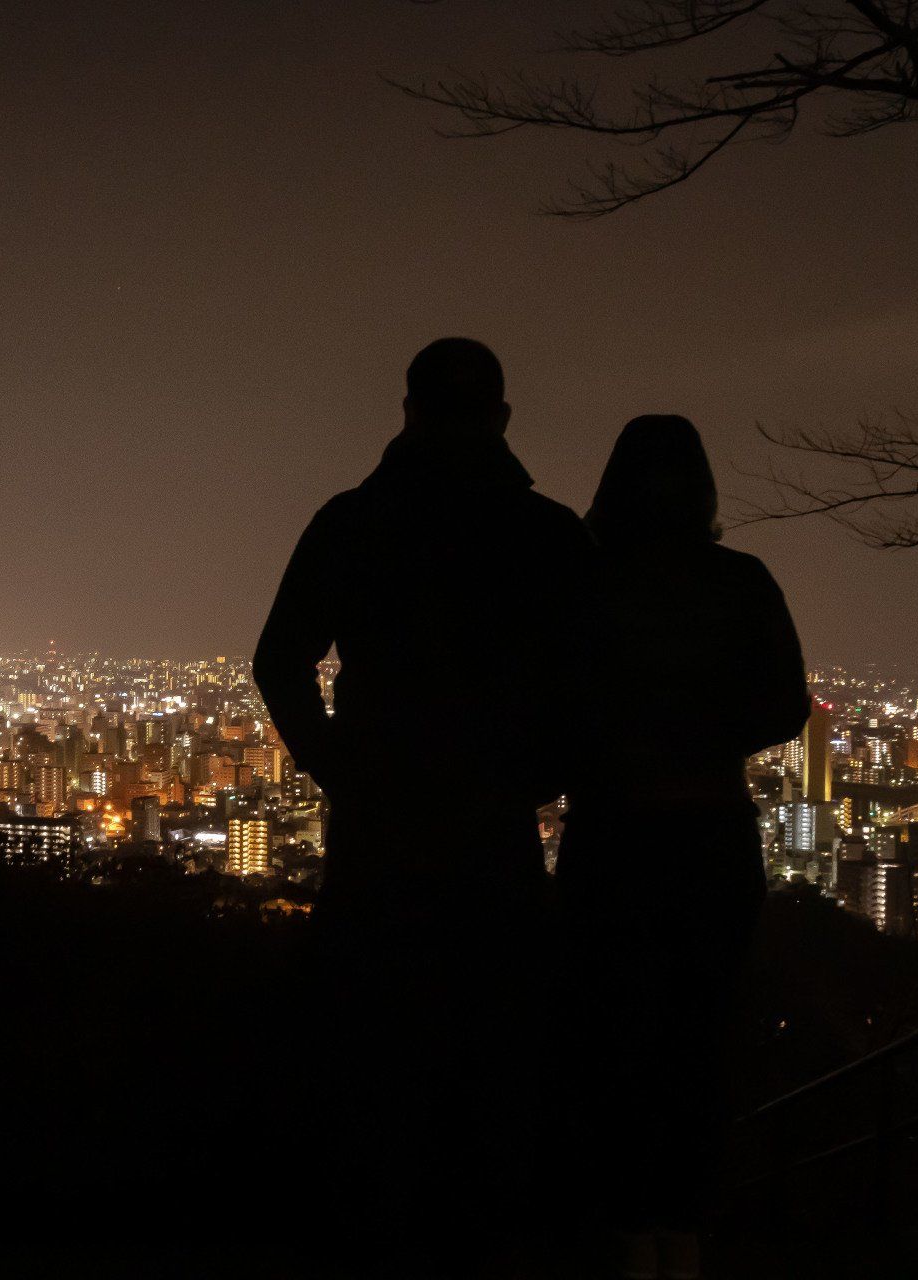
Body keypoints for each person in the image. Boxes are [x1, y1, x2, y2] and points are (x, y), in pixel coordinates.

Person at [252, 338, 597, 1263]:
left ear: (406, 413)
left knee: (372, 1049)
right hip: (491, 821)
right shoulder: (548, 533)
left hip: (379, 823)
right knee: (495, 1048)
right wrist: (538, 774)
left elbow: (278, 660)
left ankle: (370, 1230)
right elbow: (594, 680)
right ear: (503, 419)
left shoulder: (354, 521)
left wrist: (339, 766)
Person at [556, 415, 810, 1280]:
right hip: (711, 832)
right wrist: (704, 730)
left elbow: (546, 701)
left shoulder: (584, 580)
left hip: (610, 832)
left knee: (611, 1030)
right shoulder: (740, 580)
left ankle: (625, 1228)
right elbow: (785, 706)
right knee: (698, 1036)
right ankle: (685, 1227)